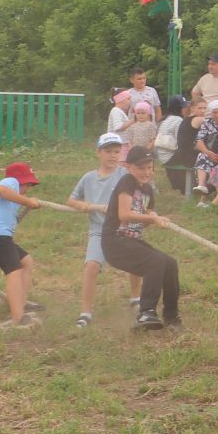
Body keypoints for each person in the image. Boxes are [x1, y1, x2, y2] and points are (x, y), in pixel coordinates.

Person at [102, 146, 182, 331]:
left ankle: (171, 317)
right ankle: (146, 312)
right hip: (114, 242)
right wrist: (152, 218)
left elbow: (145, 218)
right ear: (129, 167)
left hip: (131, 242)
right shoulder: (127, 182)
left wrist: (153, 217)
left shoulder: (147, 190)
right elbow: (124, 215)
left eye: (149, 167)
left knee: (170, 263)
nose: (146, 172)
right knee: (155, 261)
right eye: (141, 168)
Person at [69, 134, 136, 328]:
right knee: (91, 266)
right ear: (98, 153)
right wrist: (85, 205)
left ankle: (136, 298)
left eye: (117, 152)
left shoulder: (124, 175)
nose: (113, 156)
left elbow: (137, 194)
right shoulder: (89, 178)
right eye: (108, 151)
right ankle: (85, 312)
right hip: (99, 231)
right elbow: (71, 200)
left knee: (136, 262)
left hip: (123, 228)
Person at [0, 162, 44, 329]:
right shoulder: (10, 182)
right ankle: (18, 317)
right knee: (14, 271)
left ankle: (20, 304)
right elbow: (1, 191)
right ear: (19, 181)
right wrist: (27, 201)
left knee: (26, 261)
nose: (27, 188)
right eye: (26, 184)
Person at [157, 95, 197, 195]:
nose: (186, 108)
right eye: (183, 107)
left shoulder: (165, 119)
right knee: (195, 154)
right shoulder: (178, 120)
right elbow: (181, 143)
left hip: (162, 155)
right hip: (170, 156)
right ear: (177, 108)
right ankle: (195, 186)